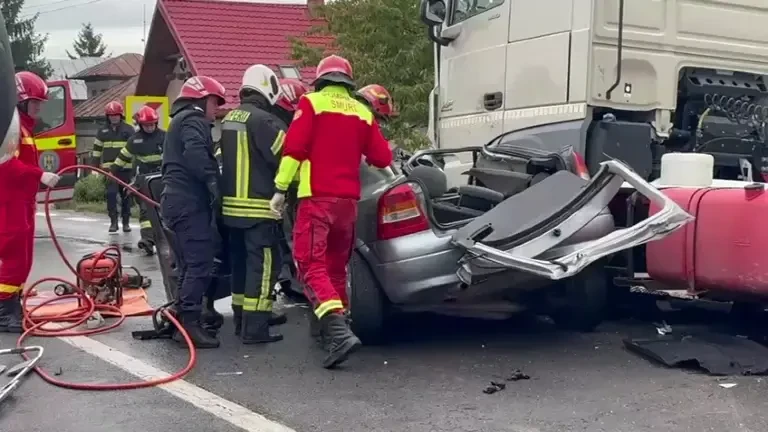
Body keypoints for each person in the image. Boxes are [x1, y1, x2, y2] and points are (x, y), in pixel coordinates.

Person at [270, 55, 393, 368]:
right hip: (347, 204)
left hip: (317, 199)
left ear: (322, 80)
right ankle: (332, 330)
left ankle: (337, 332)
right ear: (348, 81)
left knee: (309, 264)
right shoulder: (363, 111)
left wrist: (281, 189)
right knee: (336, 268)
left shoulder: (311, 104)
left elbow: (295, 149)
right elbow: (381, 157)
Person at [220, 64, 288, 344]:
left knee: (241, 267)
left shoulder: (230, 119)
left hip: (231, 211)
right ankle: (256, 328)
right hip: (259, 210)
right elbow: (287, 157)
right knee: (263, 269)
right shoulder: (264, 121)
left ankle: (240, 321)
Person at [161, 75, 227, 349]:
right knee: (200, 262)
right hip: (188, 203)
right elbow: (196, 153)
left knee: (190, 263)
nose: (217, 108)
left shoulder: (180, 120)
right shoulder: (193, 120)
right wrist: (213, 182)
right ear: (201, 98)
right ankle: (188, 324)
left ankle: (180, 316)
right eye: (215, 101)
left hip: (176, 202)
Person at [0, 72, 60, 332]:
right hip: (9, 201)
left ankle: (12, 304)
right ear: (21, 101)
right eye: (35, 103)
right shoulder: (10, 127)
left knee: (24, 258)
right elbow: (6, 164)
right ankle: (3, 311)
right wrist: (40, 174)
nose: (39, 108)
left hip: (22, 201)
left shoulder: (22, 126)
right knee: (14, 257)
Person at [112, 106, 165, 256]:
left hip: (164, 179)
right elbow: (123, 157)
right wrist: (112, 171)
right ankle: (147, 240)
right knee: (145, 211)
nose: (149, 128)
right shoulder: (135, 140)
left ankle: (167, 239)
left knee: (165, 210)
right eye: (146, 125)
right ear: (141, 125)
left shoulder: (165, 137)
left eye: (152, 124)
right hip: (144, 181)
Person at [91, 101, 135, 233]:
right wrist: (95, 166)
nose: (114, 117)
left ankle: (126, 222)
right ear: (107, 116)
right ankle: (113, 222)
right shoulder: (102, 131)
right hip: (109, 171)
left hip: (126, 169)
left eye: (116, 115)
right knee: (111, 195)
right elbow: (97, 150)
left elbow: (134, 149)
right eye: (111, 115)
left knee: (126, 196)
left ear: (121, 115)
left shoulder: (129, 130)